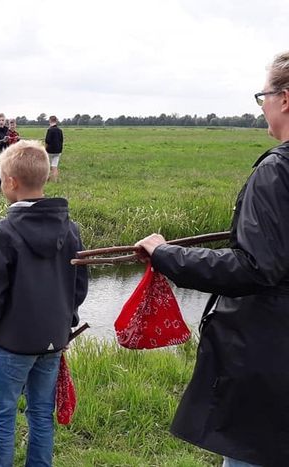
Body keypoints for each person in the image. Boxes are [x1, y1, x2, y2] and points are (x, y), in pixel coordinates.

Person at [134, 51, 289, 467]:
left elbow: (256, 267)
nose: (263, 108)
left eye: (264, 97)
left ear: (285, 99)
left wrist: (167, 255)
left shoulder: (276, 172)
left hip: (270, 360)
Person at [0, 140, 89, 467]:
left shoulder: (4, 231)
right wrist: (66, 321)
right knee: (40, 412)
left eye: (0, 177)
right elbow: (80, 285)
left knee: (1, 415)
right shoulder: (71, 228)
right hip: (54, 338)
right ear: (45, 178)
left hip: (13, 343)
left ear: (9, 182)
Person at [45, 116, 64, 182]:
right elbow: (61, 140)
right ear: (56, 121)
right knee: (54, 166)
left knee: (47, 165)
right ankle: (55, 180)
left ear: (50, 121)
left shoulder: (50, 130)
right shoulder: (60, 130)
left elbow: (47, 141)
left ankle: (47, 178)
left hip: (50, 151)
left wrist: (45, 149)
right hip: (58, 151)